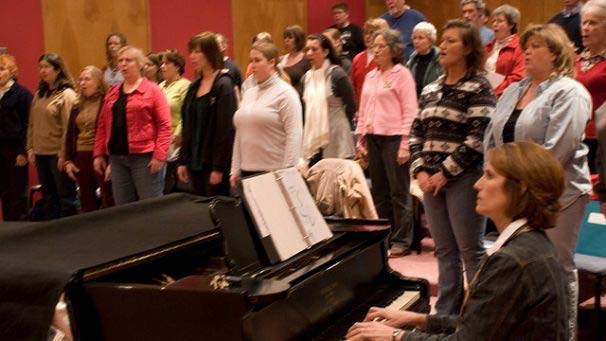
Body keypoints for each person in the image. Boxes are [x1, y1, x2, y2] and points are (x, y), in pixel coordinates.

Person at [346, 141, 569, 340]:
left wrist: (396, 336)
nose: (477, 184)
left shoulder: (512, 261)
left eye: (489, 176)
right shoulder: (531, 243)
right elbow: (480, 324)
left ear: (521, 188)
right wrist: (416, 319)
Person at [484, 24, 592, 337]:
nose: (527, 52)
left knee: (557, 266)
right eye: (526, 46)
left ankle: (565, 333)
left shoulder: (570, 92)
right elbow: (492, 137)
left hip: (559, 195)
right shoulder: (516, 89)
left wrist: (515, 185)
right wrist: (495, 178)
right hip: (515, 192)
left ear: (556, 54)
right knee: (523, 264)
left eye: (537, 47)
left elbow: (557, 151)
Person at [409, 20, 496, 315]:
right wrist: (420, 170)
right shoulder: (431, 88)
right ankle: (446, 314)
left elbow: (477, 138)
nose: (442, 46)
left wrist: (444, 173)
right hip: (430, 181)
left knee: (471, 251)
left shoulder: (479, 86)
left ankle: (481, 314)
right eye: (442, 41)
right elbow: (416, 133)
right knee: (444, 252)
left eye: (450, 41)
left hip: (463, 179)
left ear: (468, 48)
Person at [356, 29, 418, 257]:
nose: (377, 50)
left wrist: (405, 144)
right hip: (373, 138)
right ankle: (386, 236)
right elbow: (363, 110)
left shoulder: (402, 74)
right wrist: (360, 138)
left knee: (398, 191)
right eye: (375, 46)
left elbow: (410, 111)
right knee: (379, 191)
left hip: (394, 138)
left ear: (393, 49)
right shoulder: (371, 75)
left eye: (382, 46)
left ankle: (403, 239)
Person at [93, 46, 172, 205]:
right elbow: (102, 124)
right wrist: (99, 153)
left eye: (128, 60)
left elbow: (164, 125)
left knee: (150, 206)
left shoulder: (153, 91)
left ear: (140, 64)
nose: (123, 64)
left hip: (144, 158)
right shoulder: (113, 92)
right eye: (120, 61)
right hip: (117, 158)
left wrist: (160, 155)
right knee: (123, 207)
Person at [230, 42, 302, 185]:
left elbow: (294, 134)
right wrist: (235, 168)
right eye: (251, 61)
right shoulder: (249, 93)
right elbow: (240, 132)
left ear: (272, 62)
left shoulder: (286, 93)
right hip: (247, 172)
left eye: (257, 60)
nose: (252, 65)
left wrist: (288, 172)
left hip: (274, 172)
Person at [177, 32, 237, 196]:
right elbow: (187, 126)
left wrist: (218, 167)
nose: (192, 56)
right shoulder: (194, 86)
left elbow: (225, 130)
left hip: (213, 164)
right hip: (194, 161)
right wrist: (182, 161)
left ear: (210, 53)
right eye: (191, 52)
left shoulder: (224, 85)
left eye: (198, 52)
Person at [27, 53, 79, 219]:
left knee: (65, 197)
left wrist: (64, 155)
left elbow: (68, 129)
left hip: (57, 155)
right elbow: (32, 123)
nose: (42, 71)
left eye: (46, 67)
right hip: (40, 153)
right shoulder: (39, 94)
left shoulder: (67, 94)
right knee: (49, 197)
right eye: (40, 67)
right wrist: (30, 147)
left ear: (57, 70)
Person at [301, 34, 356, 167]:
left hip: (337, 135)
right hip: (314, 136)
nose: (309, 53)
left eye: (314, 49)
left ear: (325, 52)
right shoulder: (306, 78)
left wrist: (340, 124)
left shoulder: (337, 74)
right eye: (307, 49)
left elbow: (351, 105)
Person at [63, 66, 114, 212]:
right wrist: (68, 160)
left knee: (107, 197)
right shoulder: (77, 104)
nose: (82, 83)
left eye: (87, 79)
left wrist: (111, 160)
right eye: (80, 80)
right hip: (81, 155)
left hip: (101, 155)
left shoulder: (107, 101)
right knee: (86, 199)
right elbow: (70, 134)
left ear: (98, 82)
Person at [0, 54, 32, 221]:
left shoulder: (22, 94)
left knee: (16, 193)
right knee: (4, 192)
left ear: (11, 71)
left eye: (2, 69)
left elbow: (28, 125)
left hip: (15, 150)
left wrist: (23, 151)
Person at [576, 0, 606, 174]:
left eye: (592, 23)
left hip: (598, 140)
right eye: (584, 22)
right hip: (574, 135)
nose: (585, 28)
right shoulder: (575, 60)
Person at [158, 49, 191, 193]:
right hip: (158, 138)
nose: (162, 67)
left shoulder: (185, 85)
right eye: (162, 63)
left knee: (171, 181)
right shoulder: (159, 86)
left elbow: (187, 113)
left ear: (177, 66)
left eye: (167, 63)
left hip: (174, 138)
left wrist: (179, 134)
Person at [485, 4, 525, 98]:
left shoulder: (520, 48)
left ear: (511, 24)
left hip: (504, 97)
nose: (494, 24)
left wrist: (492, 93)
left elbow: (517, 78)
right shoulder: (487, 47)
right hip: (484, 94)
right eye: (493, 21)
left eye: (499, 21)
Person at [351, 18, 389, 105]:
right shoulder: (357, 58)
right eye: (365, 33)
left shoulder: (385, 58)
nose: (367, 36)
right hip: (360, 109)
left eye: (371, 33)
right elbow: (353, 86)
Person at [406, 22, 442, 97]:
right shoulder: (411, 61)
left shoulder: (440, 59)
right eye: (414, 38)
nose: (416, 41)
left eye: (420, 38)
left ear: (430, 40)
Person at [279, 25, 310, 99]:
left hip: (299, 98)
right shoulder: (280, 59)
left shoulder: (306, 59)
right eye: (285, 38)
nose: (286, 40)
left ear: (298, 40)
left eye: (290, 38)